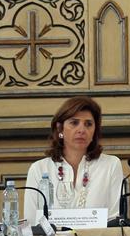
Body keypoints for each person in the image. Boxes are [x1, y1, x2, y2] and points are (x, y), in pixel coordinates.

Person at [24, 96, 123, 224]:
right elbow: (32, 222)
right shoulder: (39, 169)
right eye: (74, 123)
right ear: (60, 128)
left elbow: (115, 219)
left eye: (88, 124)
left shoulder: (110, 165)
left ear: (95, 131)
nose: (82, 130)